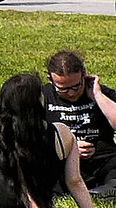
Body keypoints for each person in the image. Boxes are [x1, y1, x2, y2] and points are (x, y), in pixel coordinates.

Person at [0, 73, 115, 208]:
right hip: (2, 202)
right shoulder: (61, 132)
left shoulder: (3, 135)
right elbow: (73, 181)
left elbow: (27, 185)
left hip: (3, 200)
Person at [44, 50, 116, 192]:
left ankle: (105, 191)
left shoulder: (101, 94)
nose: (71, 93)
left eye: (76, 86)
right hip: (61, 162)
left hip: (101, 159)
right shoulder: (43, 97)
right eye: (63, 89)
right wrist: (71, 148)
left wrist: (97, 95)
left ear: (84, 75)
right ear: (50, 80)